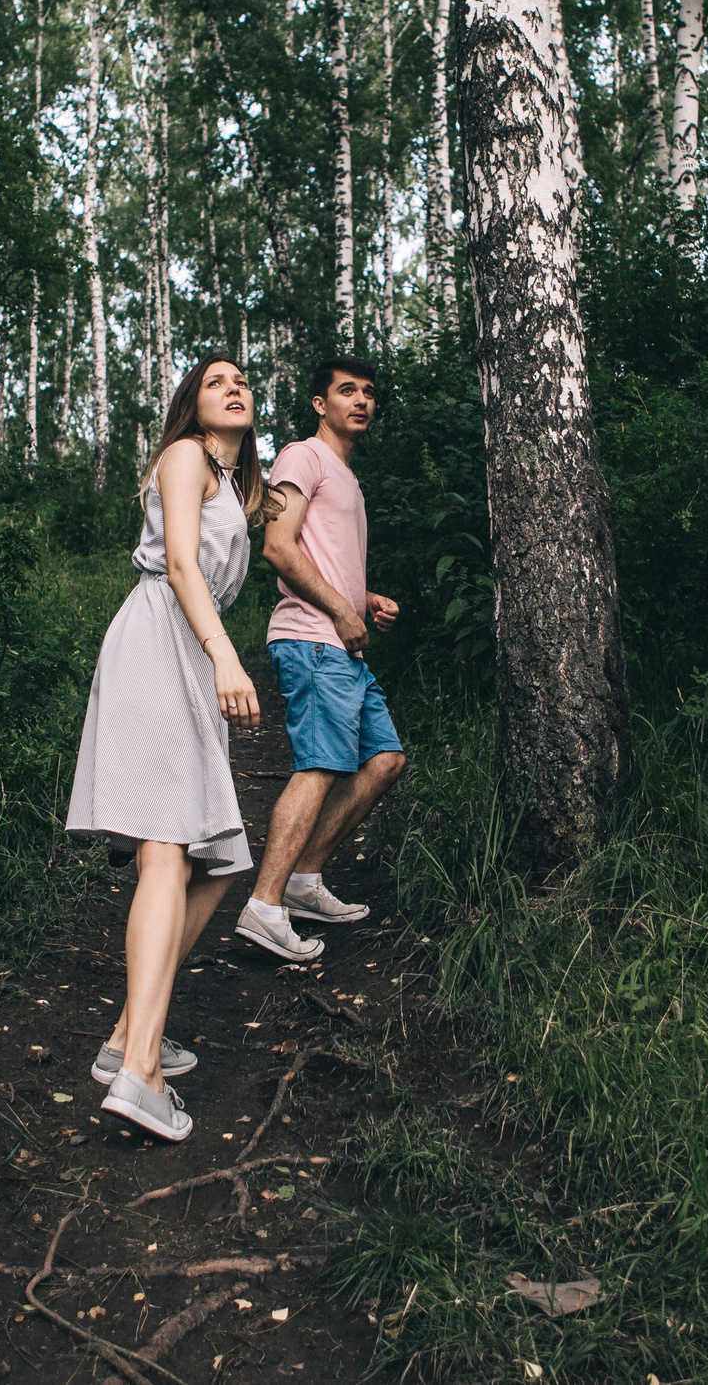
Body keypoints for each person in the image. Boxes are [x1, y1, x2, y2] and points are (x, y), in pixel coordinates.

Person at [67, 355, 267, 1141]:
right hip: (163, 638)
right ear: (192, 403)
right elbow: (181, 564)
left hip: (185, 644)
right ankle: (142, 1071)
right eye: (216, 381)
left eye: (242, 380)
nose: (233, 387)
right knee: (167, 850)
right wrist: (224, 653)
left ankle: (127, 1034)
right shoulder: (185, 454)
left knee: (220, 858)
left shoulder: (237, 485)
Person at [237, 355, 406, 962]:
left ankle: (303, 881)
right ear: (320, 404)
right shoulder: (302, 457)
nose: (360, 401)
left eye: (368, 392)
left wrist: (364, 600)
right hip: (312, 638)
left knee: (384, 760)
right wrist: (340, 608)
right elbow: (279, 548)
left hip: (340, 641)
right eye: (346, 391)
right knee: (320, 766)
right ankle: (264, 906)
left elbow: (324, 559)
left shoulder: (346, 477)